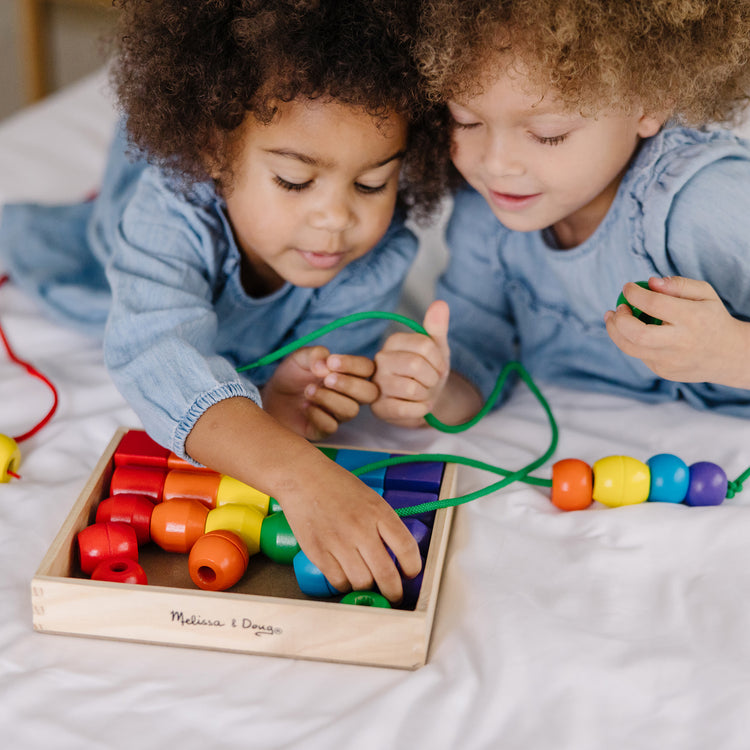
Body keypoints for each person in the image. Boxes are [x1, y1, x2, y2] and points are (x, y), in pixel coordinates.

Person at [0, 0, 447, 601]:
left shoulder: (376, 251)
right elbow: (155, 350)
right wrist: (301, 476)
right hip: (150, 188)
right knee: (135, 178)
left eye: (372, 183)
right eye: (295, 180)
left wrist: (287, 396)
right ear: (215, 149)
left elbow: (318, 370)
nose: (337, 218)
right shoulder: (172, 210)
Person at [371, 0, 750, 430]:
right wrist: (429, 392)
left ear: (649, 102)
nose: (496, 164)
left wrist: (734, 353)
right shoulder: (485, 216)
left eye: (547, 135)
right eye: (466, 121)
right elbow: (475, 360)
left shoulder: (705, 204)